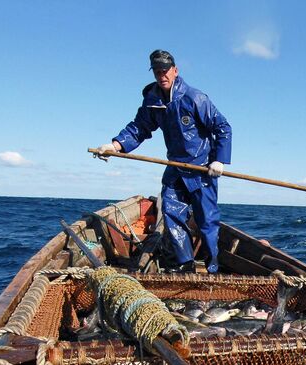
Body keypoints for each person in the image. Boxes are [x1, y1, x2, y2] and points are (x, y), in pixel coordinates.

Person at [96, 49, 232, 274]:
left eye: (165, 71)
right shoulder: (153, 100)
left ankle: (213, 268)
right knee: (170, 212)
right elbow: (139, 127)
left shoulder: (195, 98)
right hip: (175, 167)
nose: (162, 76)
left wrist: (219, 160)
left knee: (207, 221)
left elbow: (223, 128)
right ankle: (185, 264)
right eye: (157, 72)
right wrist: (115, 145)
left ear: (175, 71)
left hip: (201, 169)